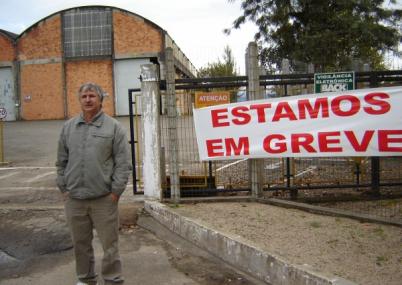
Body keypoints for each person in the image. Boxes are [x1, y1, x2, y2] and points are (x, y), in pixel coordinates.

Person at [56, 82, 131, 285]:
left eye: (92, 96)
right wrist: (63, 188)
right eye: (84, 96)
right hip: (74, 199)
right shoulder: (68, 127)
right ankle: (86, 279)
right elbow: (61, 161)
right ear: (80, 100)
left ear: (100, 100)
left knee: (110, 245)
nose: (88, 100)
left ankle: (113, 279)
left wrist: (115, 193)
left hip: (103, 199)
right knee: (80, 244)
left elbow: (123, 164)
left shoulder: (114, 127)